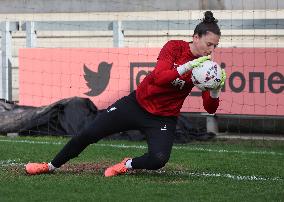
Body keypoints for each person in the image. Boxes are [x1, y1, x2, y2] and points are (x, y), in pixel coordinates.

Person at [25, 11, 226, 177]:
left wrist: (215, 91)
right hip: (135, 105)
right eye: (209, 44)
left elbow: (210, 108)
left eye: (215, 46)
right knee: (89, 133)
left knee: (158, 160)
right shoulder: (174, 47)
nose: (212, 50)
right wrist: (187, 66)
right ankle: (50, 165)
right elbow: (159, 77)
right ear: (196, 37)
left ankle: (127, 164)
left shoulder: (207, 69)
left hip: (164, 118)